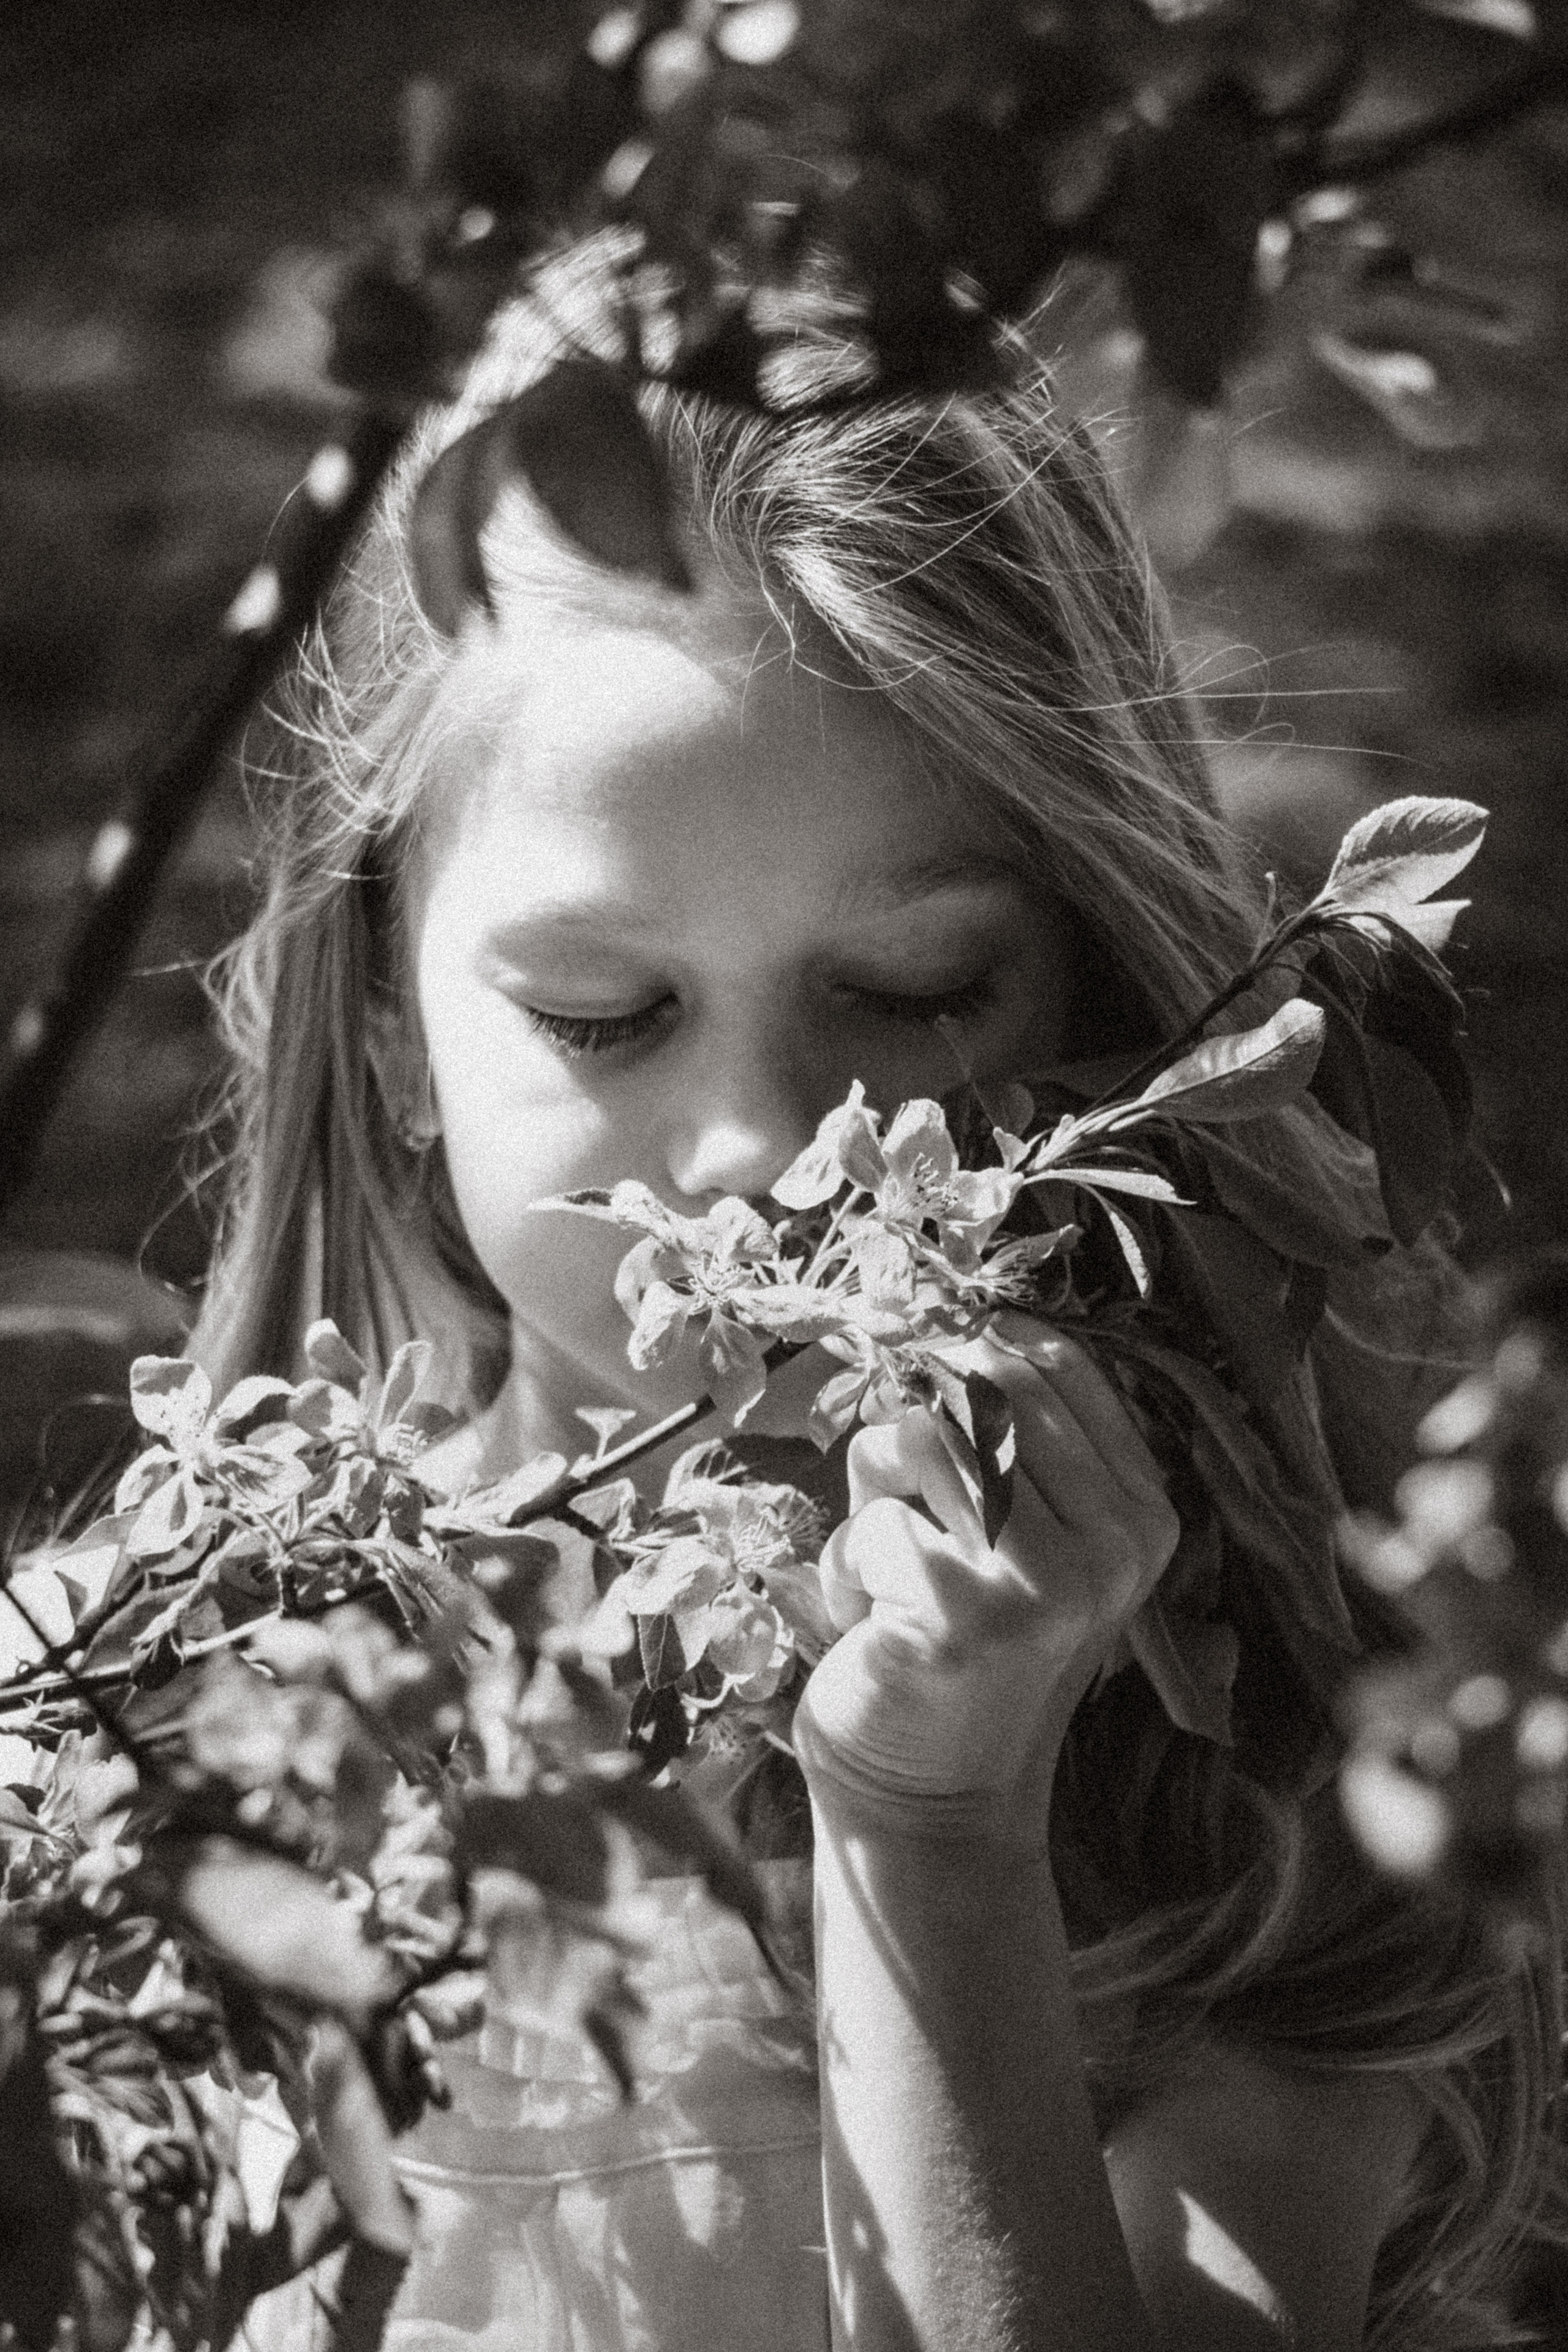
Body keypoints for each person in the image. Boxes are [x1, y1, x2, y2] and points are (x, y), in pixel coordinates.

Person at [195, 243, 1563, 2352]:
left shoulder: (1239, 1808)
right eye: (603, 1010)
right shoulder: (144, 1711)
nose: (760, 1149)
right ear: (384, 1019)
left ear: (1119, 999)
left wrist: (935, 1827)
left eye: (915, 994)